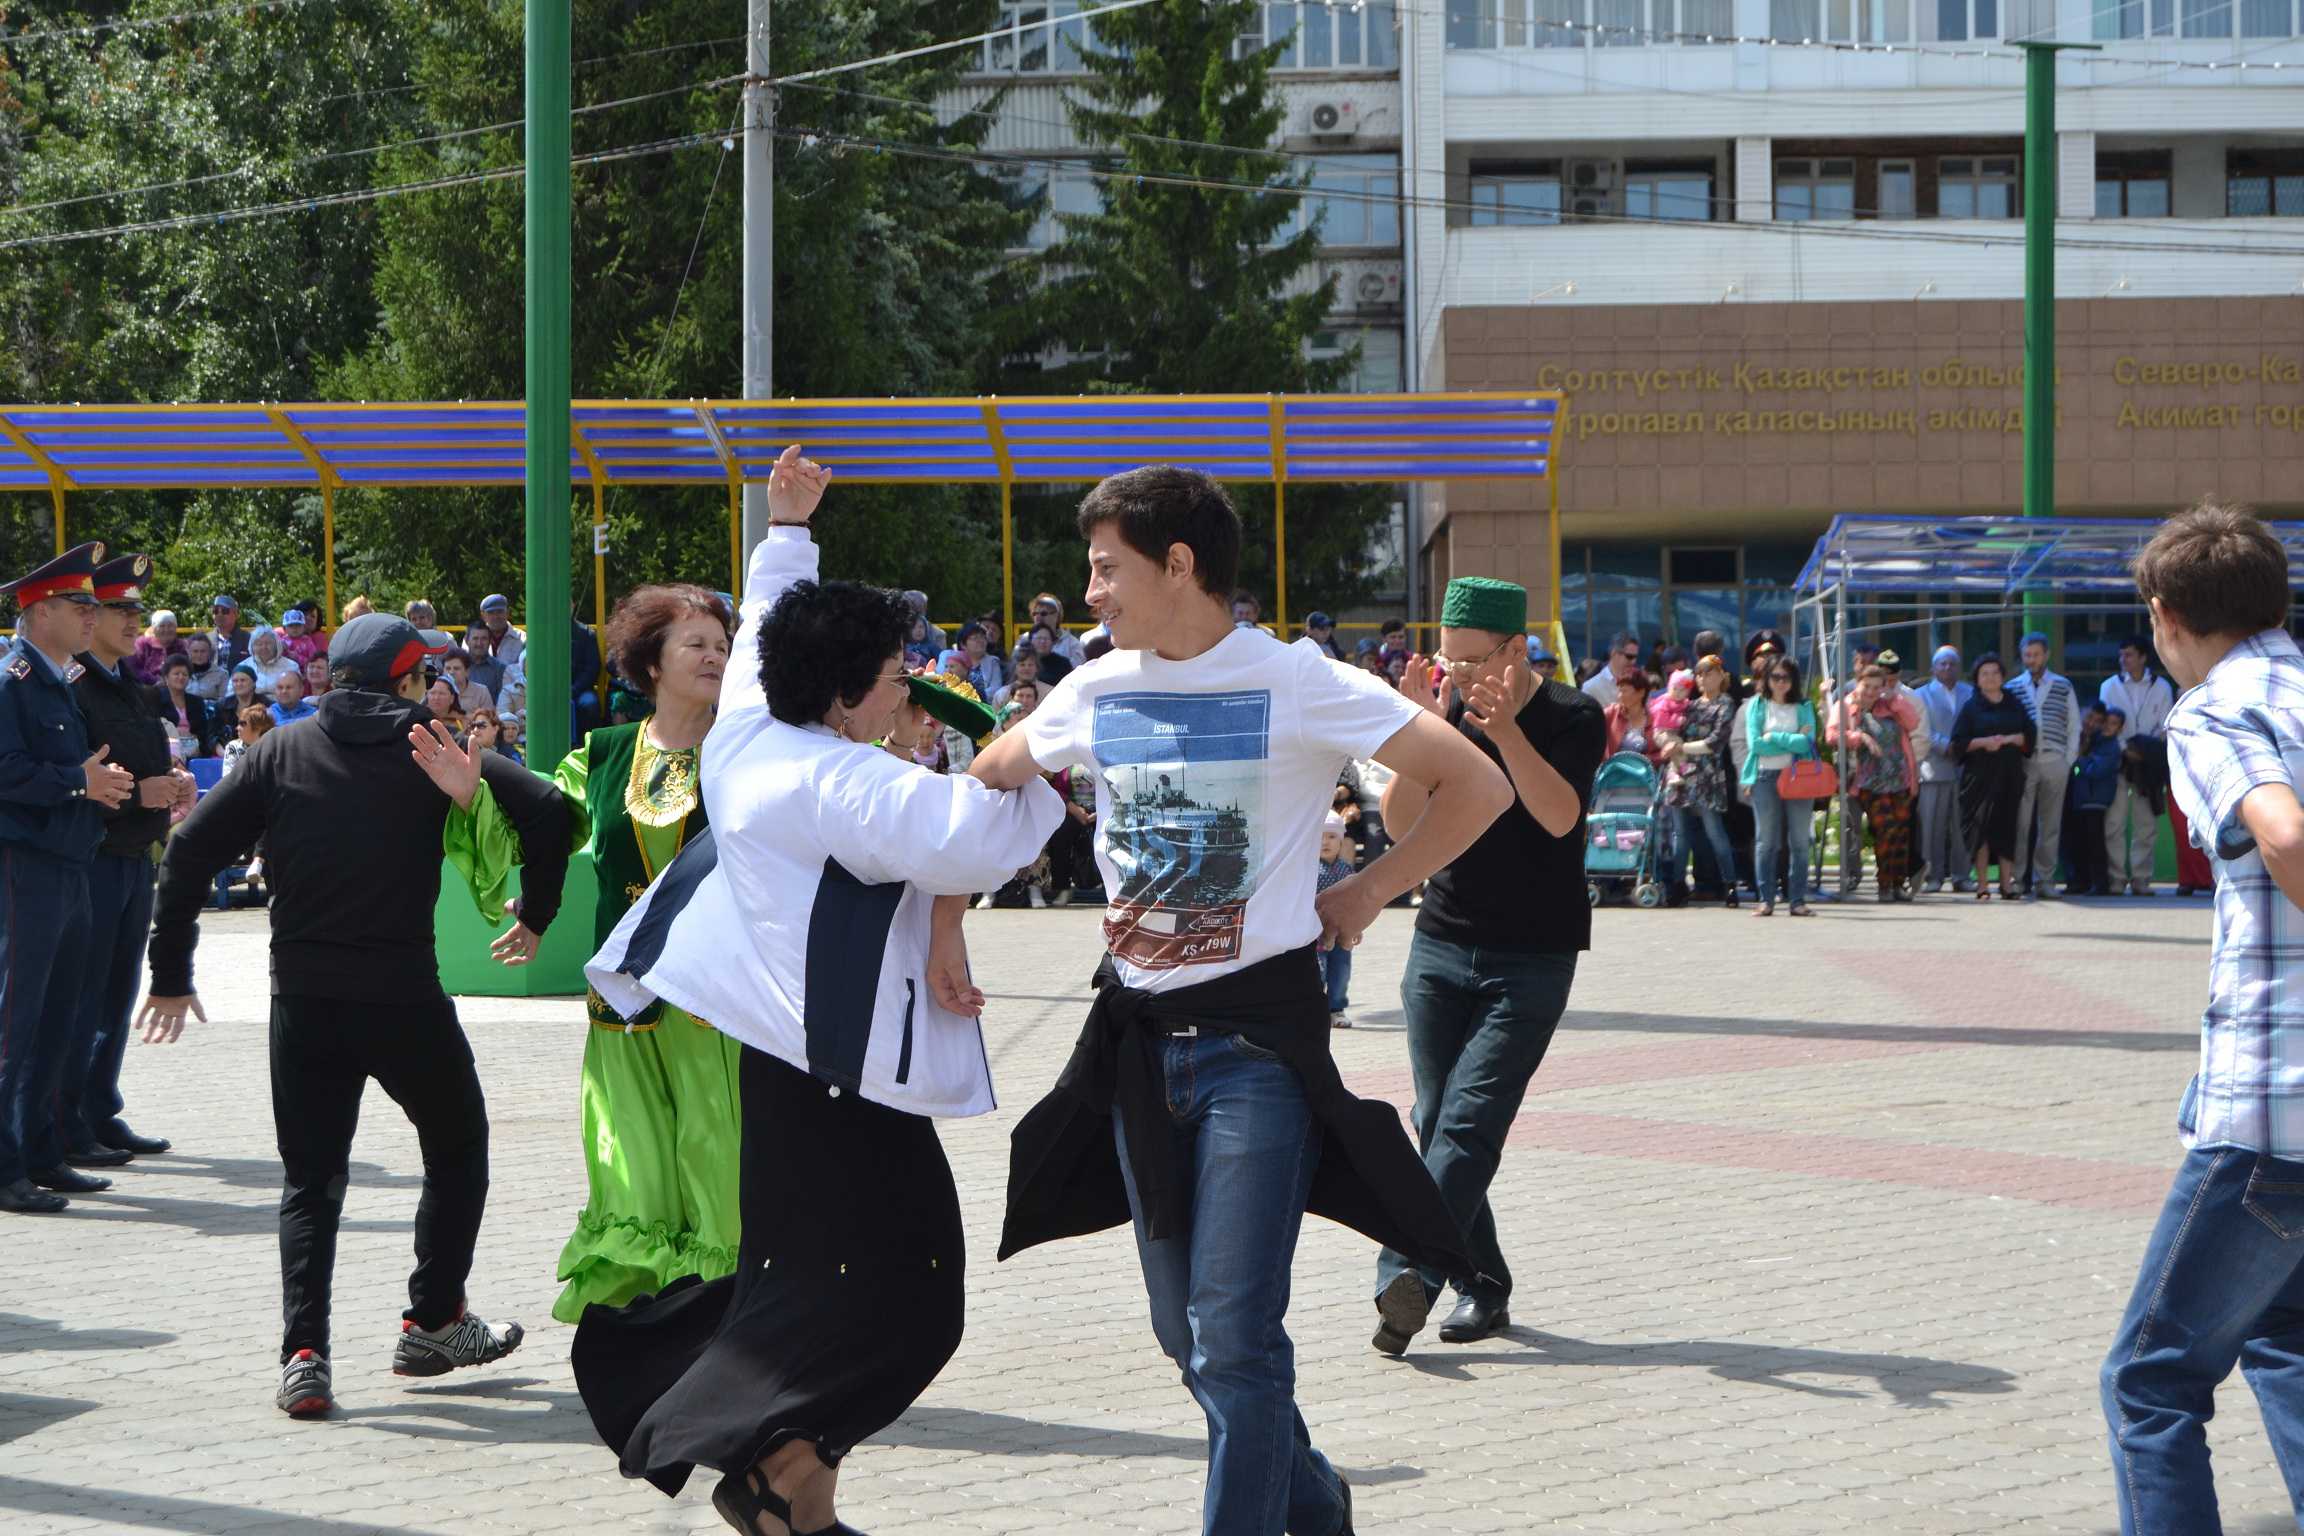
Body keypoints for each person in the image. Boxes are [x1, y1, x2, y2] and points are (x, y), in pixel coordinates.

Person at [978, 466, 1505, 1536]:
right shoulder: (1095, 685)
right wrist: (946, 917)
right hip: (1134, 1048)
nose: (1090, 593)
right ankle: (1314, 1502)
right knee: (1189, 1338)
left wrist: (1361, 891)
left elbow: (1476, 786)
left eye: (1105, 568)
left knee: (1233, 1339)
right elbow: (993, 772)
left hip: (1254, 1054)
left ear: (1179, 566)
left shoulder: (1297, 679)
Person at [568, 448, 1065, 1536]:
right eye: (896, 673)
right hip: (836, 1081)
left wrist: (787, 528)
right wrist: (1048, 750)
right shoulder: (846, 783)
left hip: (788, 1068)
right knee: (911, 1304)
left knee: (820, 1288)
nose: (909, 685)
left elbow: (769, 618)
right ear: (845, 695)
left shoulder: (752, 728)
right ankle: (755, 1458)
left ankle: (793, 1491)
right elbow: (982, 838)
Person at [137, 611, 573, 1417]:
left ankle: (305, 1356)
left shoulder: (279, 748)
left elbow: (191, 847)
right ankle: (435, 1319)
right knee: (457, 1148)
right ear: (410, 681)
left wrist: (169, 972)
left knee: (311, 1182)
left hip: (303, 1000)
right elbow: (550, 811)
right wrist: (537, 911)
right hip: (404, 997)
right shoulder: (434, 746)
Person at [435, 581, 746, 1328]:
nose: (714, 655)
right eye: (695, 643)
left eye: (722, 644)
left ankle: (728, 1309)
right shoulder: (606, 753)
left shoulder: (747, 748)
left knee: (719, 1152)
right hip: (626, 1004)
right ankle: (647, 1319)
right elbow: (548, 827)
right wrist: (475, 793)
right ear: (650, 662)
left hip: (718, 1001)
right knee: (629, 1157)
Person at [2098, 500, 2304, 1531]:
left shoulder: (2217, 709)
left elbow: (2284, 831)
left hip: (2273, 1113)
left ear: (2169, 615)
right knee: (2283, 1338)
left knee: (2150, 1381)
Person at [1369, 575, 1605, 1355]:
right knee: (1436, 1120)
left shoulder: (1574, 715)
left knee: (1469, 1124)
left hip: (1533, 957)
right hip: (1440, 943)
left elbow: (1559, 817)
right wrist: (1421, 727)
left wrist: (1505, 734)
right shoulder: (1444, 718)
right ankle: (1484, 1284)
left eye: (1473, 663)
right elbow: (1401, 822)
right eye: (1449, 663)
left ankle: (1409, 1273)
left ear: (1515, 649)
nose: (1460, 678)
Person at [0, 543, 136, 1216]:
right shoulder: (13, 680)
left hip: (69, 864)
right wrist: (74, 782)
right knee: (14, 1022)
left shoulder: (58, 679)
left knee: (59, 1021)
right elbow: (6, 771)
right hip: (27, 869)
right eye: (79, 604)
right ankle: (4, 1165)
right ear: (40, 610)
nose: (92, 616)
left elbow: (59, 771)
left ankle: (41, 1152)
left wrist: (95, 787)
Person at [57, 553, 194, 1178]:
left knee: (117, 990)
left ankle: (99, 1105)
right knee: (82, 993)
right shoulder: (77, 687)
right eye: (121, 609)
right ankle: (66, 1117)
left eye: (138, 608)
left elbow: (144, 763)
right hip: (94, 856)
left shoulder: (129, 688)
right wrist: (141, 793)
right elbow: (81, 777)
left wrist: (175, 783)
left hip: (136, 855)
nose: (133, 619)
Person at [1829, 664, 1918, 904]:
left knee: (1900, 831)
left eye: (1877, 687)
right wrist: (1860, 737)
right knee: (1886, 827)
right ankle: (1884, 883)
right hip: (1868, 780)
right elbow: (1832, 735)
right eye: (1866, 686)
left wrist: (1895, 700)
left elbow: (1913, 722)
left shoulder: (1889, 705)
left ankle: (1899, 883)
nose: (1871, 691)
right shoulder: (1846, 706)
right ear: (1857, 683)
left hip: (1898, 778)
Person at [1741, 655, 1819, 919]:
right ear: (1767, 679)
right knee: (1767, 841)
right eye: (1775, 677)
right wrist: (1793, 739)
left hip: (1798, 776)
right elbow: (1755, 745)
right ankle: (1766, 899)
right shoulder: (1757, 705)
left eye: (1786, 677)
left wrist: (1774, 736)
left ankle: (1797, 899)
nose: (1781, 682)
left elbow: (1807, 742)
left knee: (1799, 841)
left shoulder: (1805, 705)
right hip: (1765, 776)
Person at [1953, 654, 2036, 900]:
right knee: (1981, 830)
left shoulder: (2014, 704)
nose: (1990, 678)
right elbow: (1958, 742)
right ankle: (1981, 885)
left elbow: (2029, 735)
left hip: (2009, 775)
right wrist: (1984, 742)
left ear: (2002, 676)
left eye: (1995, 673)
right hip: (1979, 777)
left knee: (2007, 827)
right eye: (1984, 673)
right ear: (1977, 679)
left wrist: (2009, 739)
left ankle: (2006, 884)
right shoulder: (1971, 707)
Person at [2007, 631, 2080, 900]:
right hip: (2026, 762)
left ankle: (2045, 879)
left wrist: (2068, 759)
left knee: (2050, 824)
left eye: (2036, 654)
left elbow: (2074, 724)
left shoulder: (2062, 685)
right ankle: (2018, 878)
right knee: (2021, 823)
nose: (2032, 659)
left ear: (2046, 655)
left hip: (2054, 759)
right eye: (2027, 655)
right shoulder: (2013, 687)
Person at [2101, 637, 2176, 898]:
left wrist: (2146, 749)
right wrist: (2125, 748)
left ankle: (2141, 878)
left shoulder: (2162, 687)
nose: (2124, 660)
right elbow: (2104, 724)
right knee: (2114, 822)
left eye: (2130, 655)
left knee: (2146, 824)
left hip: (2149, 762)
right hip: (2118, 760)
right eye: (2122, 655)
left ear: (2143, 657)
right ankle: (2116, 878)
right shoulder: (2109, 686)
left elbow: (2166, 725)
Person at [1663, 654, 1740, 909]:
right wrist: (1667, 741)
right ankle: (1677, 886)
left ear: (1721, 676)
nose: (1703, 678)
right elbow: (1669, 726)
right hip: (1681, 774)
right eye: (1699, 674)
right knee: (1680, 835)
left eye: (1709, 673)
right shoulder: (1690, 705)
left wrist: (1682, 746)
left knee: (1714, 832)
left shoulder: (1725, 704)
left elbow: (1715, 743)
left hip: (1707, 776)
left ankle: (1730, 885)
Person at [1915, 645, 1975, 893]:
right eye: (1943, 663)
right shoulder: (1921, 695)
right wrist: (1944, 746)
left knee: (1962, 826)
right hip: (1934, 767)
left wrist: (1963, 746)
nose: (1948, 667)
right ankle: (1932, 876)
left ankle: (1962, 876)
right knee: (1932, 826)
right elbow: (1921, 728)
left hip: (1964, 767)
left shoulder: (1971, 692)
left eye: (1952, 663)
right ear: (1933, 668)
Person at [2067, 704, 2124, 897]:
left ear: (2120, 728)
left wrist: (2079, 763)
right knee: (2080, 842)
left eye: (2113, 724)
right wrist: (2082, 764)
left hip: (2096, 800)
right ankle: (2082, 882)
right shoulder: (2094, 741)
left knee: (2095, 844)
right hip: (2083, 799)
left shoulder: (2111, 746)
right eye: (2105, 722)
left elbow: (2094, 770)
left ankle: (2100, 883)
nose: (2107, 726)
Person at [1315, 813, 1355, 1026]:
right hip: (1316, 935)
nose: (1325, 842)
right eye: (1320, 836)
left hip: (1341, 932)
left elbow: (1355, 901)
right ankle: (1316, 1010)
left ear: (1341, 841)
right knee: (1317, 973)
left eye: (1331, 836)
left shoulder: (1346, 869)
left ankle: (1336, 1009)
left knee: (1340, 972)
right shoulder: (1309, 869)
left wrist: (1356, 928)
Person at [156, 655, 219, 760]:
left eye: (185, 674)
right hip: (167, 749)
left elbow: (203, 731)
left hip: (194, 749)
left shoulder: (196, 701)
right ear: (166, 677)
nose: (181, 677)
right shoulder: (157, 699)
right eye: (176, 674)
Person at [1603, 668, 1661, 763]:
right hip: (1613, 772)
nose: (1619, 696)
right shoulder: (1611, 713)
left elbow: (1660, 753)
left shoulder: (1655, 717)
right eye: (1619, 691)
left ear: (1641, 692)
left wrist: (1646, 760)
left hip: (1643, 774)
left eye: (1624, 691)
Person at [236, 626, 299, 701]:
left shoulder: (291, 666)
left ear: (276, 645)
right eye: (259, 644)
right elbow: (231, 693)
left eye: (268, 643)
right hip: (250, 708)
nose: (264, 647)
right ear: (252, 647)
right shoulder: (243, 667)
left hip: (283, 707)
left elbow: (296, 693)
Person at [1583, 629, 1644, 706]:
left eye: (1636, 657)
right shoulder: (1591, 687)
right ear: (1614, 653)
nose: (1633, 662)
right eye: (1629, 656)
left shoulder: (1639, 684)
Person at [131, 609, 184, 684]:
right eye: (162, 626)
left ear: (175, 628)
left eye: (170, 625)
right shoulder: (142, 644)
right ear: (154, 629)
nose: (166, 630)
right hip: (146, 689)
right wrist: (155, 680)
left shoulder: (181, 645)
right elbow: (134, 669)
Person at [474, 593, 524, 668]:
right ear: (483, 616)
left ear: (507, 613)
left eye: (500, 612)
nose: (496, 617)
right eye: (490, 613)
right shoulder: (471, 639)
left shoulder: (522, 639)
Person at [440, 650, 493, 718]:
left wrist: (462, 716)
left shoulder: (482, 691)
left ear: (467, 671)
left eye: (456, 668)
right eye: (448, 668)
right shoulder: (434, 689)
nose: (451, 672)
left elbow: (489, 719)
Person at [209, 594, 252, 670]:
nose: (219, 615)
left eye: (224, 611)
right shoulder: (206, 640)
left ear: (236, 614)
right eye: (215, 611)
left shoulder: (248, 639)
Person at [1027, 623, 1074, 688]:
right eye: (1039, 638)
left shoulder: (1063, 664)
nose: (1042, 641)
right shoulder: (1022, 661)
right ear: (1030, 640)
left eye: (1046, 639)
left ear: (1053, 642)